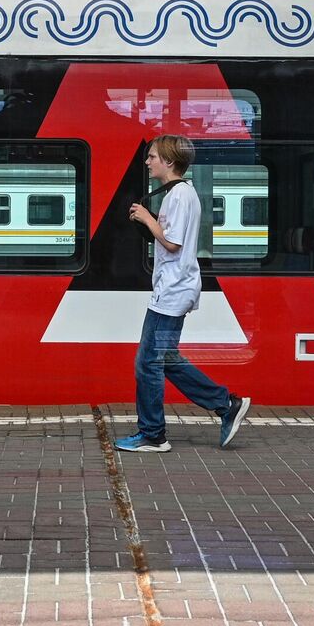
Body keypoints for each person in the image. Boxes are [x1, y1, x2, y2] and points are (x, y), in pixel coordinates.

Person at [114, 134, 252, 453]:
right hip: (175, 289)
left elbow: (173, 243)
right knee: (165, 358)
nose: (147, 162)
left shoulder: (178, 196)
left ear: (169, 162)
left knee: (147, 363)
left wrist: (147, 218)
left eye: (152, 157)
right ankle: (225, 404)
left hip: (172, 293)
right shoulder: (182, 192)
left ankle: (153, 434)